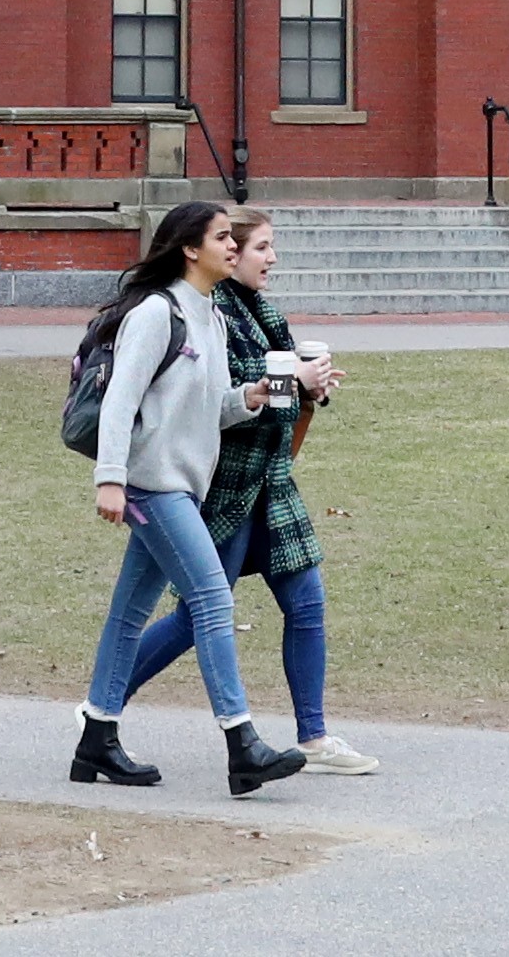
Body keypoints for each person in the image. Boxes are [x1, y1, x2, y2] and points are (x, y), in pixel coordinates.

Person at [72, 200, 310, 795]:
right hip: (153, 484)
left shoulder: (212, 316)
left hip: (183, 483)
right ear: (189, 248)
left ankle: (95, 740)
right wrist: (110, 478)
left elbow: (209, 407)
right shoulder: (158, 312)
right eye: (224, 238)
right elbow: (122, 398)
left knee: (129, 614)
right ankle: (242, 743)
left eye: (235, 238)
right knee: (210, 597)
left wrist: (250, 394)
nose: (234, 246)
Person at [123, 211, 372, 774]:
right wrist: (291, 384)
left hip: (272, 483)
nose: (271, 258)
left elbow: (282, 398)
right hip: (225, 485)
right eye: (261, 247)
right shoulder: (213, 312)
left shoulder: (265, 311)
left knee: (306, 603)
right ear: (227, 252)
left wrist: (316, 390)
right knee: (198, 616)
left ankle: (314, 736)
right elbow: (222, 401)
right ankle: (104, 707)